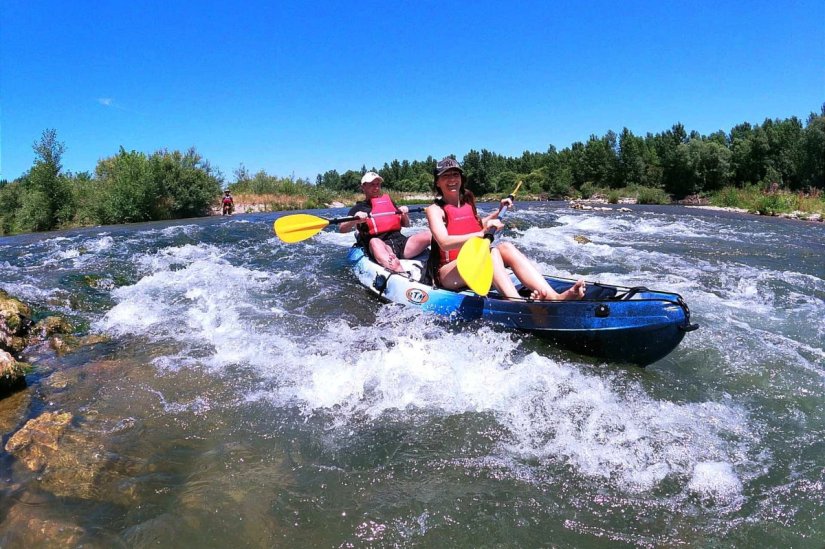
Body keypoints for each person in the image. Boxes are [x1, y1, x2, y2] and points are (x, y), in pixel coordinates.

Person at [425, 157, 585, 300]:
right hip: (448, 272)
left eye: (455, 174)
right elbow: (444, 242)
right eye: (446, 176)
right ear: (437, 182)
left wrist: (499, 210)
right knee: (491, 251)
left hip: (475, 261)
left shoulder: (467, 203)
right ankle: (515, 301)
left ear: (461, 178)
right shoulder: (435, 210)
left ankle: (554, 297)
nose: (452, 179)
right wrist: (481, 234)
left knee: (505, 247)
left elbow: (476, 225)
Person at [339, 171, 431, 273]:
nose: (376, 187)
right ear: (363, 187)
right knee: (374, 241)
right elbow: (342, 229)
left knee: (430, 235)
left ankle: (443, 262)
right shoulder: (359, 208)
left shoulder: (389, 202)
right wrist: (355, 219)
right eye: (372, 185)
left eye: (378, 184)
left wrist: (404, 215)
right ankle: (397, 269)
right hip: (382, 246)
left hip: (401, 244)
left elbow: (406, 224)